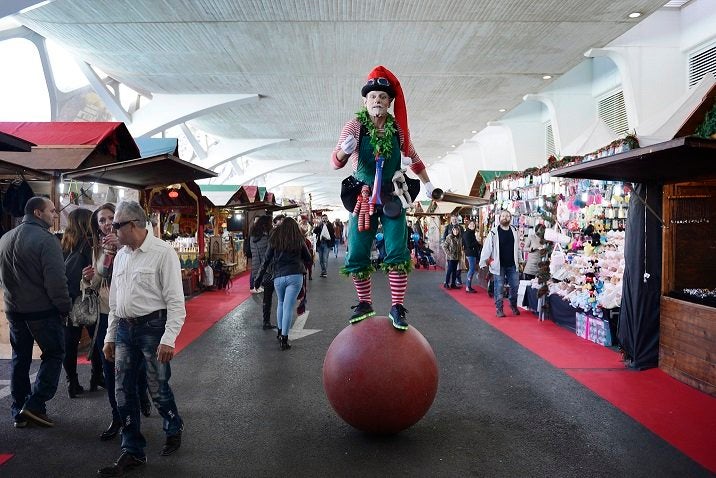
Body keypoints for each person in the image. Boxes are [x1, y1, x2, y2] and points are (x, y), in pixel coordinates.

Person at [331, 65, 435, 330]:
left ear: (389, 102)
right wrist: (344, 152)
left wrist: (429, 184)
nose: (377, 100)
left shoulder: (398, 131)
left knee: (397, 249)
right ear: (365, 101)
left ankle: (397, 306)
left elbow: (415, 158)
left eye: (382, 97)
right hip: (362, 195)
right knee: (356, 248)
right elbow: (335, 162)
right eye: (373, 96)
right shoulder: (354, 126)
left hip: (392, 194)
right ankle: (364, 302)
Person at [100, 201, 186, 477]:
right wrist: (110, 336)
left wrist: (168, 338)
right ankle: (132, 449)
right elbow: (115, 301)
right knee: (122, 389)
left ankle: (173, 425)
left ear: (134, 225)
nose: (112, 230)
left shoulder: (163, 253)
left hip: (153, 328)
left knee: (156, 385)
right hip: (124, 329)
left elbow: (176, 302)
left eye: (116, 225)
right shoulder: (122, 255)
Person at [0, 196, 71, 428]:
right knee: (54, 353)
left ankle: (18, 410)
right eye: (51, 210)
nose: (55, 213)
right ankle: (34, 405)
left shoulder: (5, 238)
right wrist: (64, 307)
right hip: (41, 310)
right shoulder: (46, 240)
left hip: (14, 309)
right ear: (38, 213)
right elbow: (56, 282)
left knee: (20, 359)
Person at [83, 203, 151, 442]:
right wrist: (91, 274)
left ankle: (141, 393)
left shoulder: (134, 244)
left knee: (137, 365)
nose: (106, 224)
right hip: (106, 314)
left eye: (111, 219)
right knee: (110, 369)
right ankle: (118, 416)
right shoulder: (97, 248)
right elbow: (94, 282)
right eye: (101, 220)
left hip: (135, 315)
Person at [61, 208, 103, 398]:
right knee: (96, 340)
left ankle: (72, 382)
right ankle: (97, 376)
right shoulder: (90, 243)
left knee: (69, 344)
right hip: (87, 298)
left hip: (69, 299)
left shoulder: (63, 243)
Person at [255, 217, 313, 351]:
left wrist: (258, 279)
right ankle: (284, 340)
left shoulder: (275, 238)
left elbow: (266, 259)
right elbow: (308, 258)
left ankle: (280, 332)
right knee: (288, 307)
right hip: (295, 276)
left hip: (278, 276)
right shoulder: (298, 239)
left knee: (280, 304)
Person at [479, 210, 521, 318]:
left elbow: (518, 248)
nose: (505, 217)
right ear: (499, 218)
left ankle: (513, 305)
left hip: (512, 264)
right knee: (499, 287)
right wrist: (483, 261)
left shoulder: (515, 230)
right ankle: (499, 309)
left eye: (507, 216)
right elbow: (487, 247)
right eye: (503, 216)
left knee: (515, 286)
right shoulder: (494, 232)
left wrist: (520, 260)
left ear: (510, 218)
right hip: (499, 265)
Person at [258, 214, 284, 330]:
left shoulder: (257, 236)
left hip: (266, 269)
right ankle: (280, 325)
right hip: (274, 269)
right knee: (281, 299)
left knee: (267, 298)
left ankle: (266, 321)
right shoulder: (274, 234)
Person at [249, 215, 272, 295]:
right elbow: (268, 250)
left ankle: (255, 286)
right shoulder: (265, 236)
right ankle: (255, 286)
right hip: (263, 262)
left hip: (256, 260)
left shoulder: (254, 233)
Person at [442, 214, 464, 286]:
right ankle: (447, 282)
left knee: (456, 269)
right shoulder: (448, 228)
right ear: (451, 220)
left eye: (455, 219)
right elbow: (444, 241)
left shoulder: (460, 228)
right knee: (449, 269)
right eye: (453, 219)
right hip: (450, 255)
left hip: (457, 255)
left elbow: (463, 238)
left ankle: (454, 283)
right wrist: (448, 253)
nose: (454, 220)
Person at [462, 220, 481, 293]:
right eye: (470, 224)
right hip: (470, 253)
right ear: (467, 225)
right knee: (471, 270)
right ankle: (468, 286)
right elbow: (469, 245)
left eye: (473, 224)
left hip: (472, 253)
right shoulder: (467, 233)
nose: (472, 225)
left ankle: (468, 286)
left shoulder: (471, 233)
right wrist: (477, 242)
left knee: (472, 270)